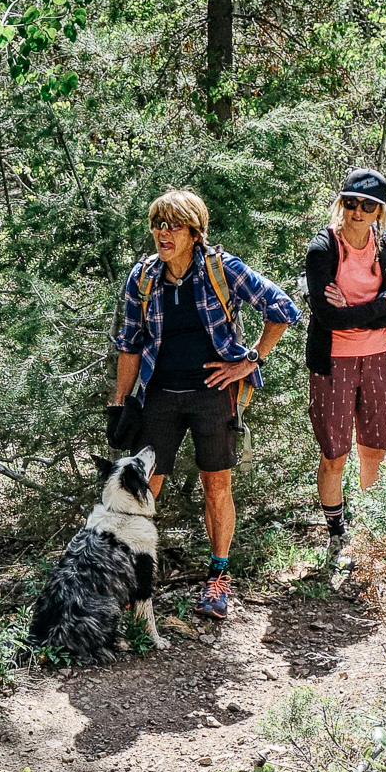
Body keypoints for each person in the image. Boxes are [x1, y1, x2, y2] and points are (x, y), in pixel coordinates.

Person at [109, 189, 298, 620]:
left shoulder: (221, 269)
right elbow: (130, 343)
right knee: (141, 489)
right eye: (158, 224)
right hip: (158, 395)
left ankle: (218, 578)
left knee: (217, 487)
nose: (163, 232)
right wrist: (119, 404)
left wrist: (250, 361)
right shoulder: (143, 277)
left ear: (195, 233)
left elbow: (282, 308)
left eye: (174, 225)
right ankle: (134, 583)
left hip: (215, 395)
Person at [303, 168, 386, 561]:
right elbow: (327, 319)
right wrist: (378, 307)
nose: (357, 211)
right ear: (341, 203)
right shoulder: (322, 249)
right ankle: (336, 530)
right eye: (351, 202)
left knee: (375, 447)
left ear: (379, 210)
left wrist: (357, 310)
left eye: (367, 205)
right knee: (335, 453)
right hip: (333, 360)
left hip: (379, 355)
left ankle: (369, 523)